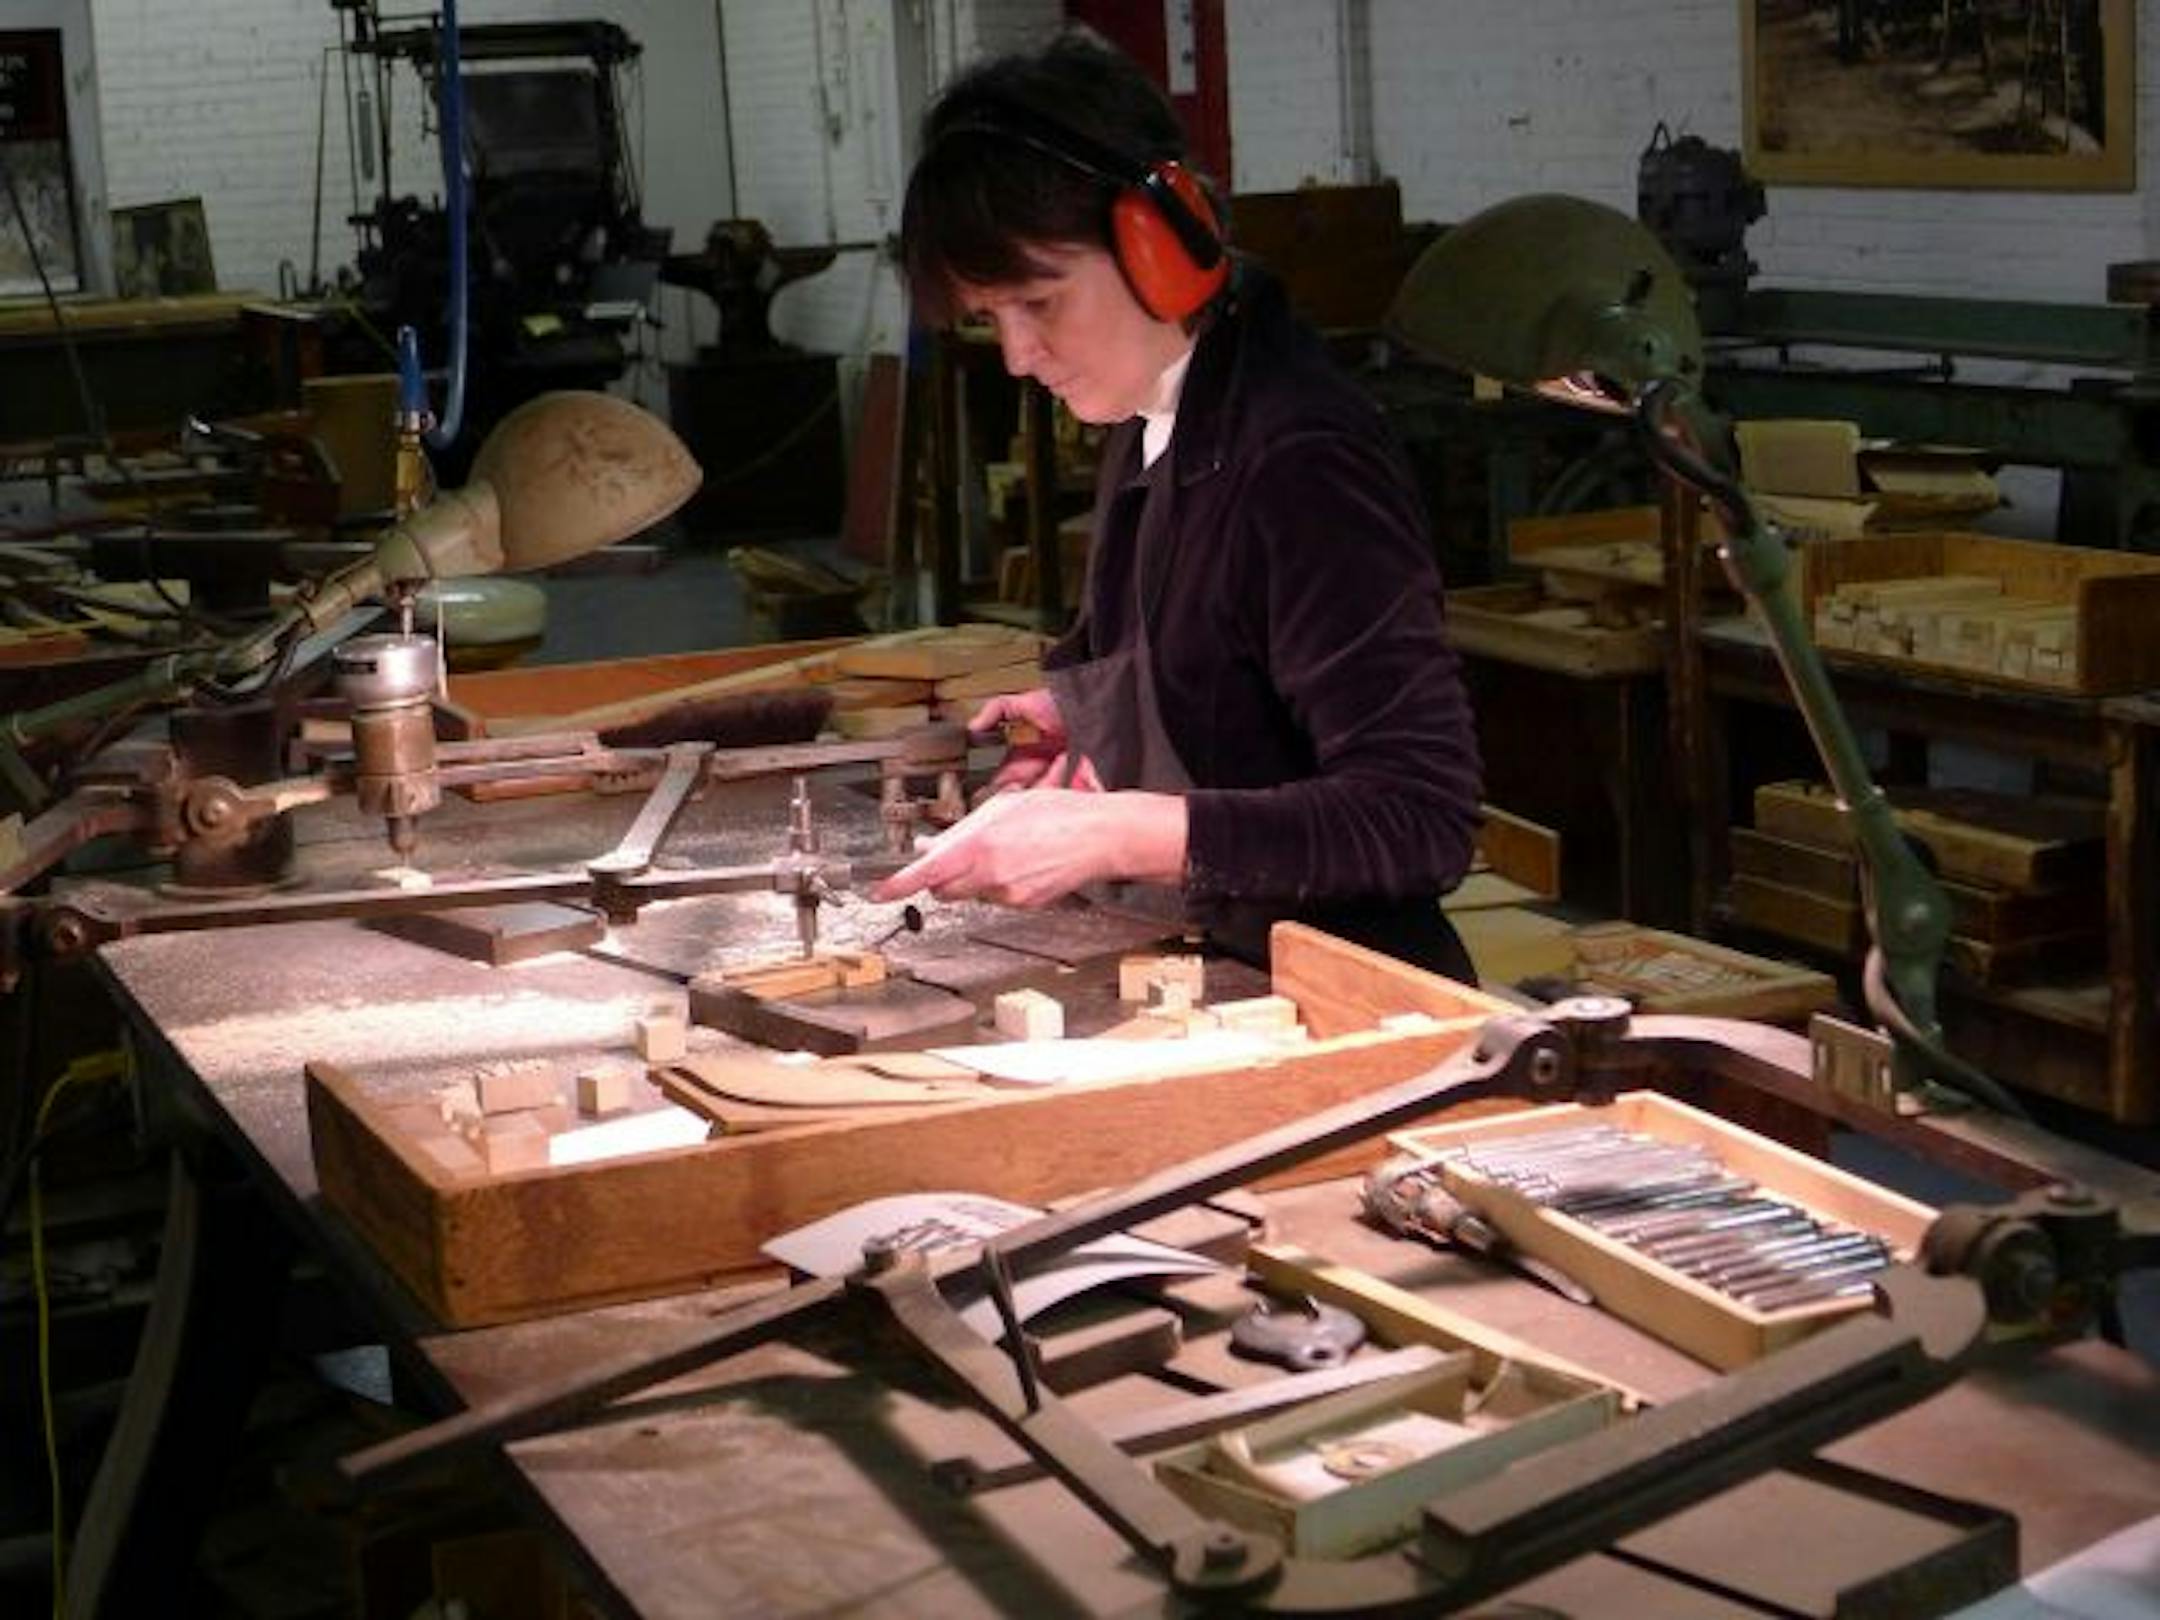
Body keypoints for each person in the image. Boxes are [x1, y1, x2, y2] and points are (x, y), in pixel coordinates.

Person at [874, 32, 1483, 982]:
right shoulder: (1161, 403)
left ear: (1163, 243)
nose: (1018, 357)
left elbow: (1418, 818)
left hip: (1348, 996)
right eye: (993, 318)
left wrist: (1112, 830)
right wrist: (1094, 718)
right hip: (1227, 966)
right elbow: (1221, 637)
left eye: (1039, 303)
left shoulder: (1299, 458)